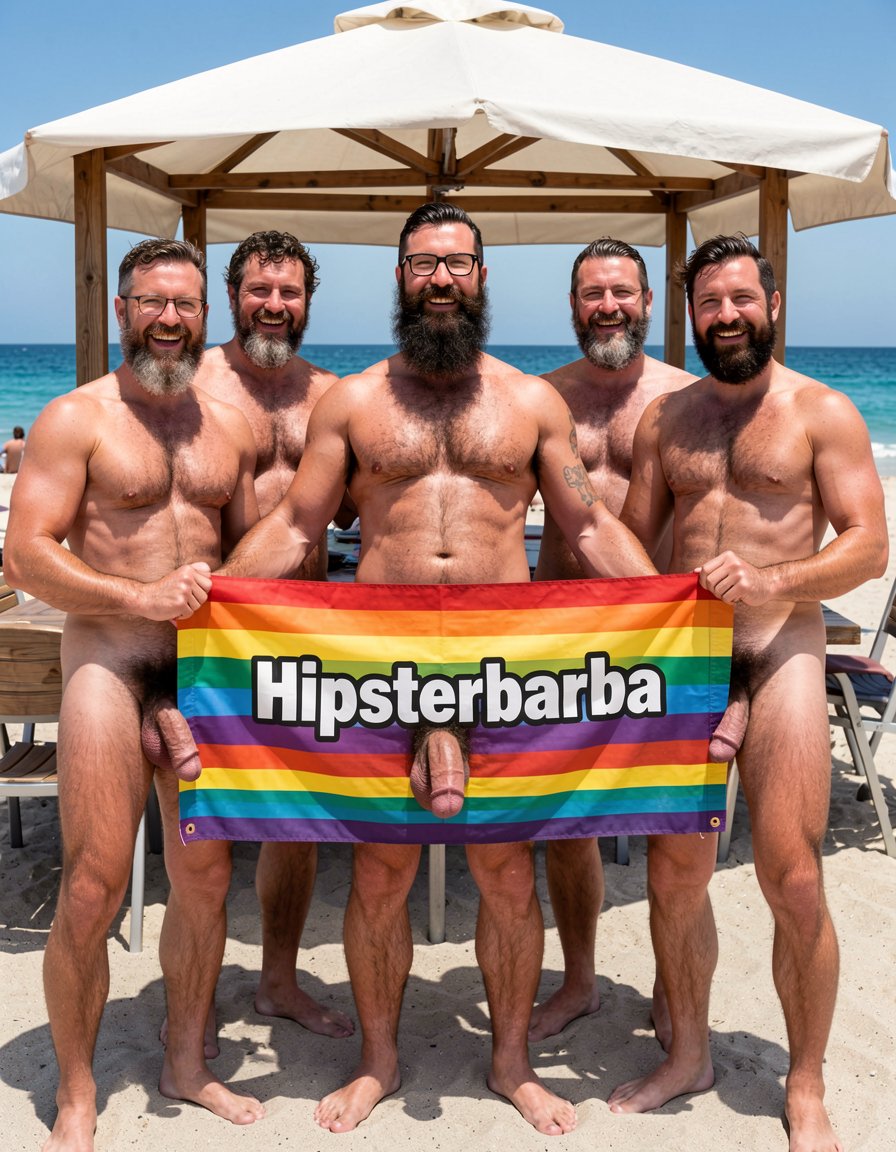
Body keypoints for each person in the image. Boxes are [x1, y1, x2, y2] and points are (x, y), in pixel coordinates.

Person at [213, 202, 658, 1135]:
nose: (442, 280)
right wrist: (209, 592)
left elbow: (585, 523)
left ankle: (509, 1064)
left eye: (457, 265)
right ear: (402, 279)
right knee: (378, 873)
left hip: (504, 664)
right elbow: (298, 525)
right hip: (379, 661)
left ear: (483, 277)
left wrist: (674, 598)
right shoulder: (355, 401)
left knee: (505, 874)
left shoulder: (533, 402)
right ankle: (378, 1059)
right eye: (423, 267)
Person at [612, 234, 887, 1152]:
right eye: (709, 303)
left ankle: (803, 1082)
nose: (725, 315)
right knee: (674, 873)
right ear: (689, 315)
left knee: (792, 874)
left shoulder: (824, 411)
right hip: (685, 665)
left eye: (741, 298)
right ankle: (686, 1050)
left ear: (774, 305)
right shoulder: (665, 421)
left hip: (781, 651)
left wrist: (776, 581)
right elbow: (633, 546)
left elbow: (868, 545)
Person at [4, 238, 264, 1151]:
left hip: (201, 679)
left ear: (205, 316)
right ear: (122, 311)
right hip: (109, 667)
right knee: (92, 885)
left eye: (186, 305)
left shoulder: (229, 427)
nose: (168, 319)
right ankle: (76, 1092)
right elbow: (27, 551)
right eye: (152, 302)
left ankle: (185, 1061)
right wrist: (137, 599)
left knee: (205, 882)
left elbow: (247, 557)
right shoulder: (77, 418)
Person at [530, 238, 695, 1043]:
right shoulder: (542, 400)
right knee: (568, 823)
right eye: (592, 292)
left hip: (659, 639)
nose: (608, 306)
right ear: (572, 305)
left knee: (672, 826)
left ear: (647, 303)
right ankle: (580, 978)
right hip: (560, 634)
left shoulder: (686, 401)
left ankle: (672, 985)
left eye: (621, 291)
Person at [190, 231, 354, 1042]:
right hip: (213, 634)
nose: (275, 305)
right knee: (207, 831)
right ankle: (195, 999)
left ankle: (279, 980)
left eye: (289, 292)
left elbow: (358, 505)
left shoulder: (331, 395)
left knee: (297, 823)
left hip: (305, 631)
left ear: (308, 302)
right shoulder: (193, 383)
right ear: (232, 296)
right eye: (260, 290)